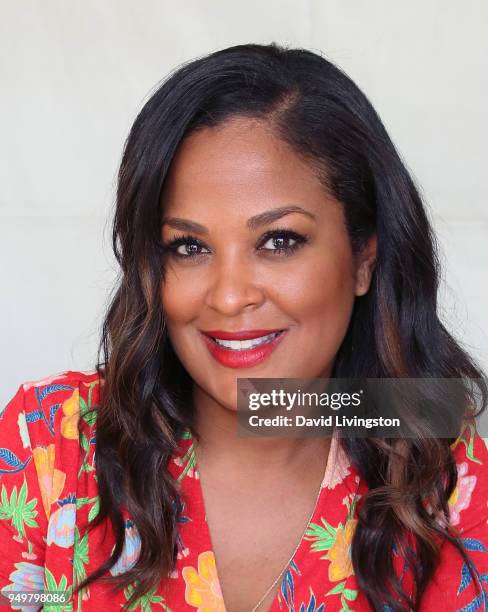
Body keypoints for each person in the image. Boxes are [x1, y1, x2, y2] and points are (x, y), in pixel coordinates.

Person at [0, 42, 487, 612]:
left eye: (279, 241)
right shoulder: (49, 447)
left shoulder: (446, 481)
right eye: (188, 246)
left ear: (363, 258)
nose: (230, 297)